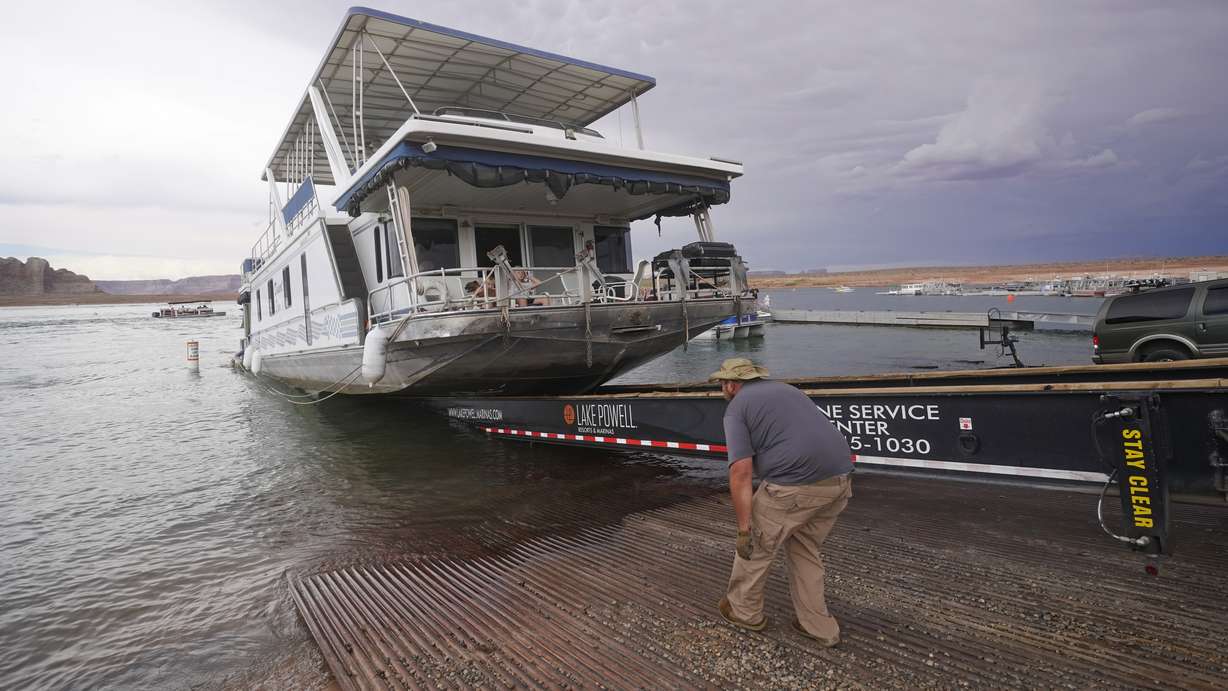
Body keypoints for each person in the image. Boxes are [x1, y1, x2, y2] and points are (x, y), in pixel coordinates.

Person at [710, 357, 853, 647]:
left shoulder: (737, 408)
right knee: (804, 549)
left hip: (794, 487)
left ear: (731, 384)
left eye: (722, 384)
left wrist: (743, 529)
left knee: (756, 547)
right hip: (839, 481)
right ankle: (819, 626)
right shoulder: (789, 390)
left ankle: (743, 612)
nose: (722, 389)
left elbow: (740, 471)